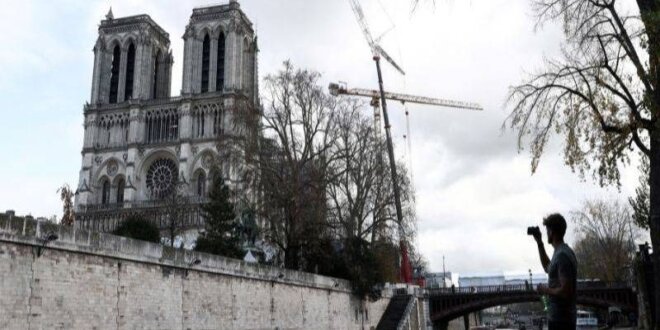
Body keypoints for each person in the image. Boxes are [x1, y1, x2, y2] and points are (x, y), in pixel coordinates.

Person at [530, 213, 578, 330]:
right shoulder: (561, 252)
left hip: (561, 321)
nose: (546, 233)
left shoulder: (562, 255)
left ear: (551, 231)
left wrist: (544, 290)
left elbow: (565, 291)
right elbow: (548, 267)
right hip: (560, 319)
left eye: (547, 230)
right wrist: (539, 243)